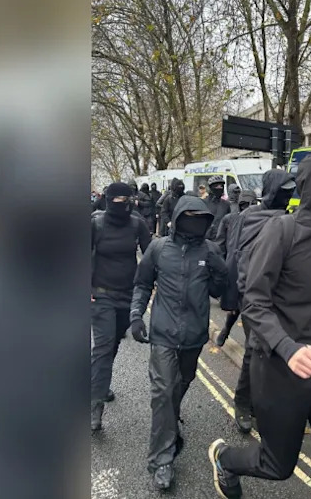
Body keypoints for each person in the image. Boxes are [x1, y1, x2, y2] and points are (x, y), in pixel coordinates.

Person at [209, 151, 311, 499]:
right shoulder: (281, 230)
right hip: (279, 366)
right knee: (277, 466)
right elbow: (254, 301)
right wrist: (288, 348)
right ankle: (225, 459)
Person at [128, 195, 228, 490]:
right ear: (178, 218)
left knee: (182, 382)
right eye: (189, 217)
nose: (194, 223)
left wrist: (221, 273)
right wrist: (136, 315)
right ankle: (162, 460)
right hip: (163, 333)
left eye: (200, 219)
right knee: (163, 392)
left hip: (194, 336)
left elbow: (219, 290)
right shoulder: (159, 248)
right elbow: (142, 283)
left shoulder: (209, 251)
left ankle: (169, 420)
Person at [225, 169, 297, 434]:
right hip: (252, 294)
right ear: (272, 190)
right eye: (284, 191)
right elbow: (235, 254)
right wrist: (235, 295)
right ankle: (242, 402)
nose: (287, 196)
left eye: (291, 192)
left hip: (281, 294)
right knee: (254, 349)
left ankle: (261, 400)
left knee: (274, 352)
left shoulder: (289, 219)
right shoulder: (247, 216)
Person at [91, 183, 152, 434]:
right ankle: (95, 405)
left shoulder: (137, 224)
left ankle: (99, 382)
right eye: (116, 200)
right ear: (107, 200)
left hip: (128, 296)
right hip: (100, 295)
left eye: (125, 200)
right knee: (103, 346)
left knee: (114, 342)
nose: (121, 204)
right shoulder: (95, 224)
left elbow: (151, 256)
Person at [212, 190, 257, 348]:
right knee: (235, 306)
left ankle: (247, 343)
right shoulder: (229, 219)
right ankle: (226, 329)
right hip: (234, 267)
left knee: (248, 306)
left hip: (253, 266)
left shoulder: (260, 219)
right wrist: (220, 267)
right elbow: (220, 244)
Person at [205, 175, 231, 240]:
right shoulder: (204, 203)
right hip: (206, 239)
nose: (220, 188)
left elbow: (229, 222)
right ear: (211, 187)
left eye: (221, 186)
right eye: (217, 186)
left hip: (222, 239)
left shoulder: (226, 204)